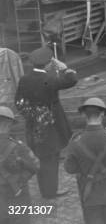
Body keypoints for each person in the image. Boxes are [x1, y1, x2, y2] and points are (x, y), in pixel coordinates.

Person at [14, 46, 77, 199]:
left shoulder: (25, 79)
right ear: (49, 64)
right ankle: (50, 192)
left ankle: (45, 189)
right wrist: (64, 68)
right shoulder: (50, 79)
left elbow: (19, 102)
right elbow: (72, 79)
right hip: (51, 127)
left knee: (40, 157)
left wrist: (34, 115)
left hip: (33, 127)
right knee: (51, 159)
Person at [64, 98, 106, 224]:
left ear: (84, 115)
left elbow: (69, 168)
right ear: (102, 114)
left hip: (89, 195)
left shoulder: (76, 141)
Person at [0, 106, 39, 224]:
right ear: (9, 125)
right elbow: (36, 165)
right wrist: (21, 180)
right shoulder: (19, 146)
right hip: (17, 196)